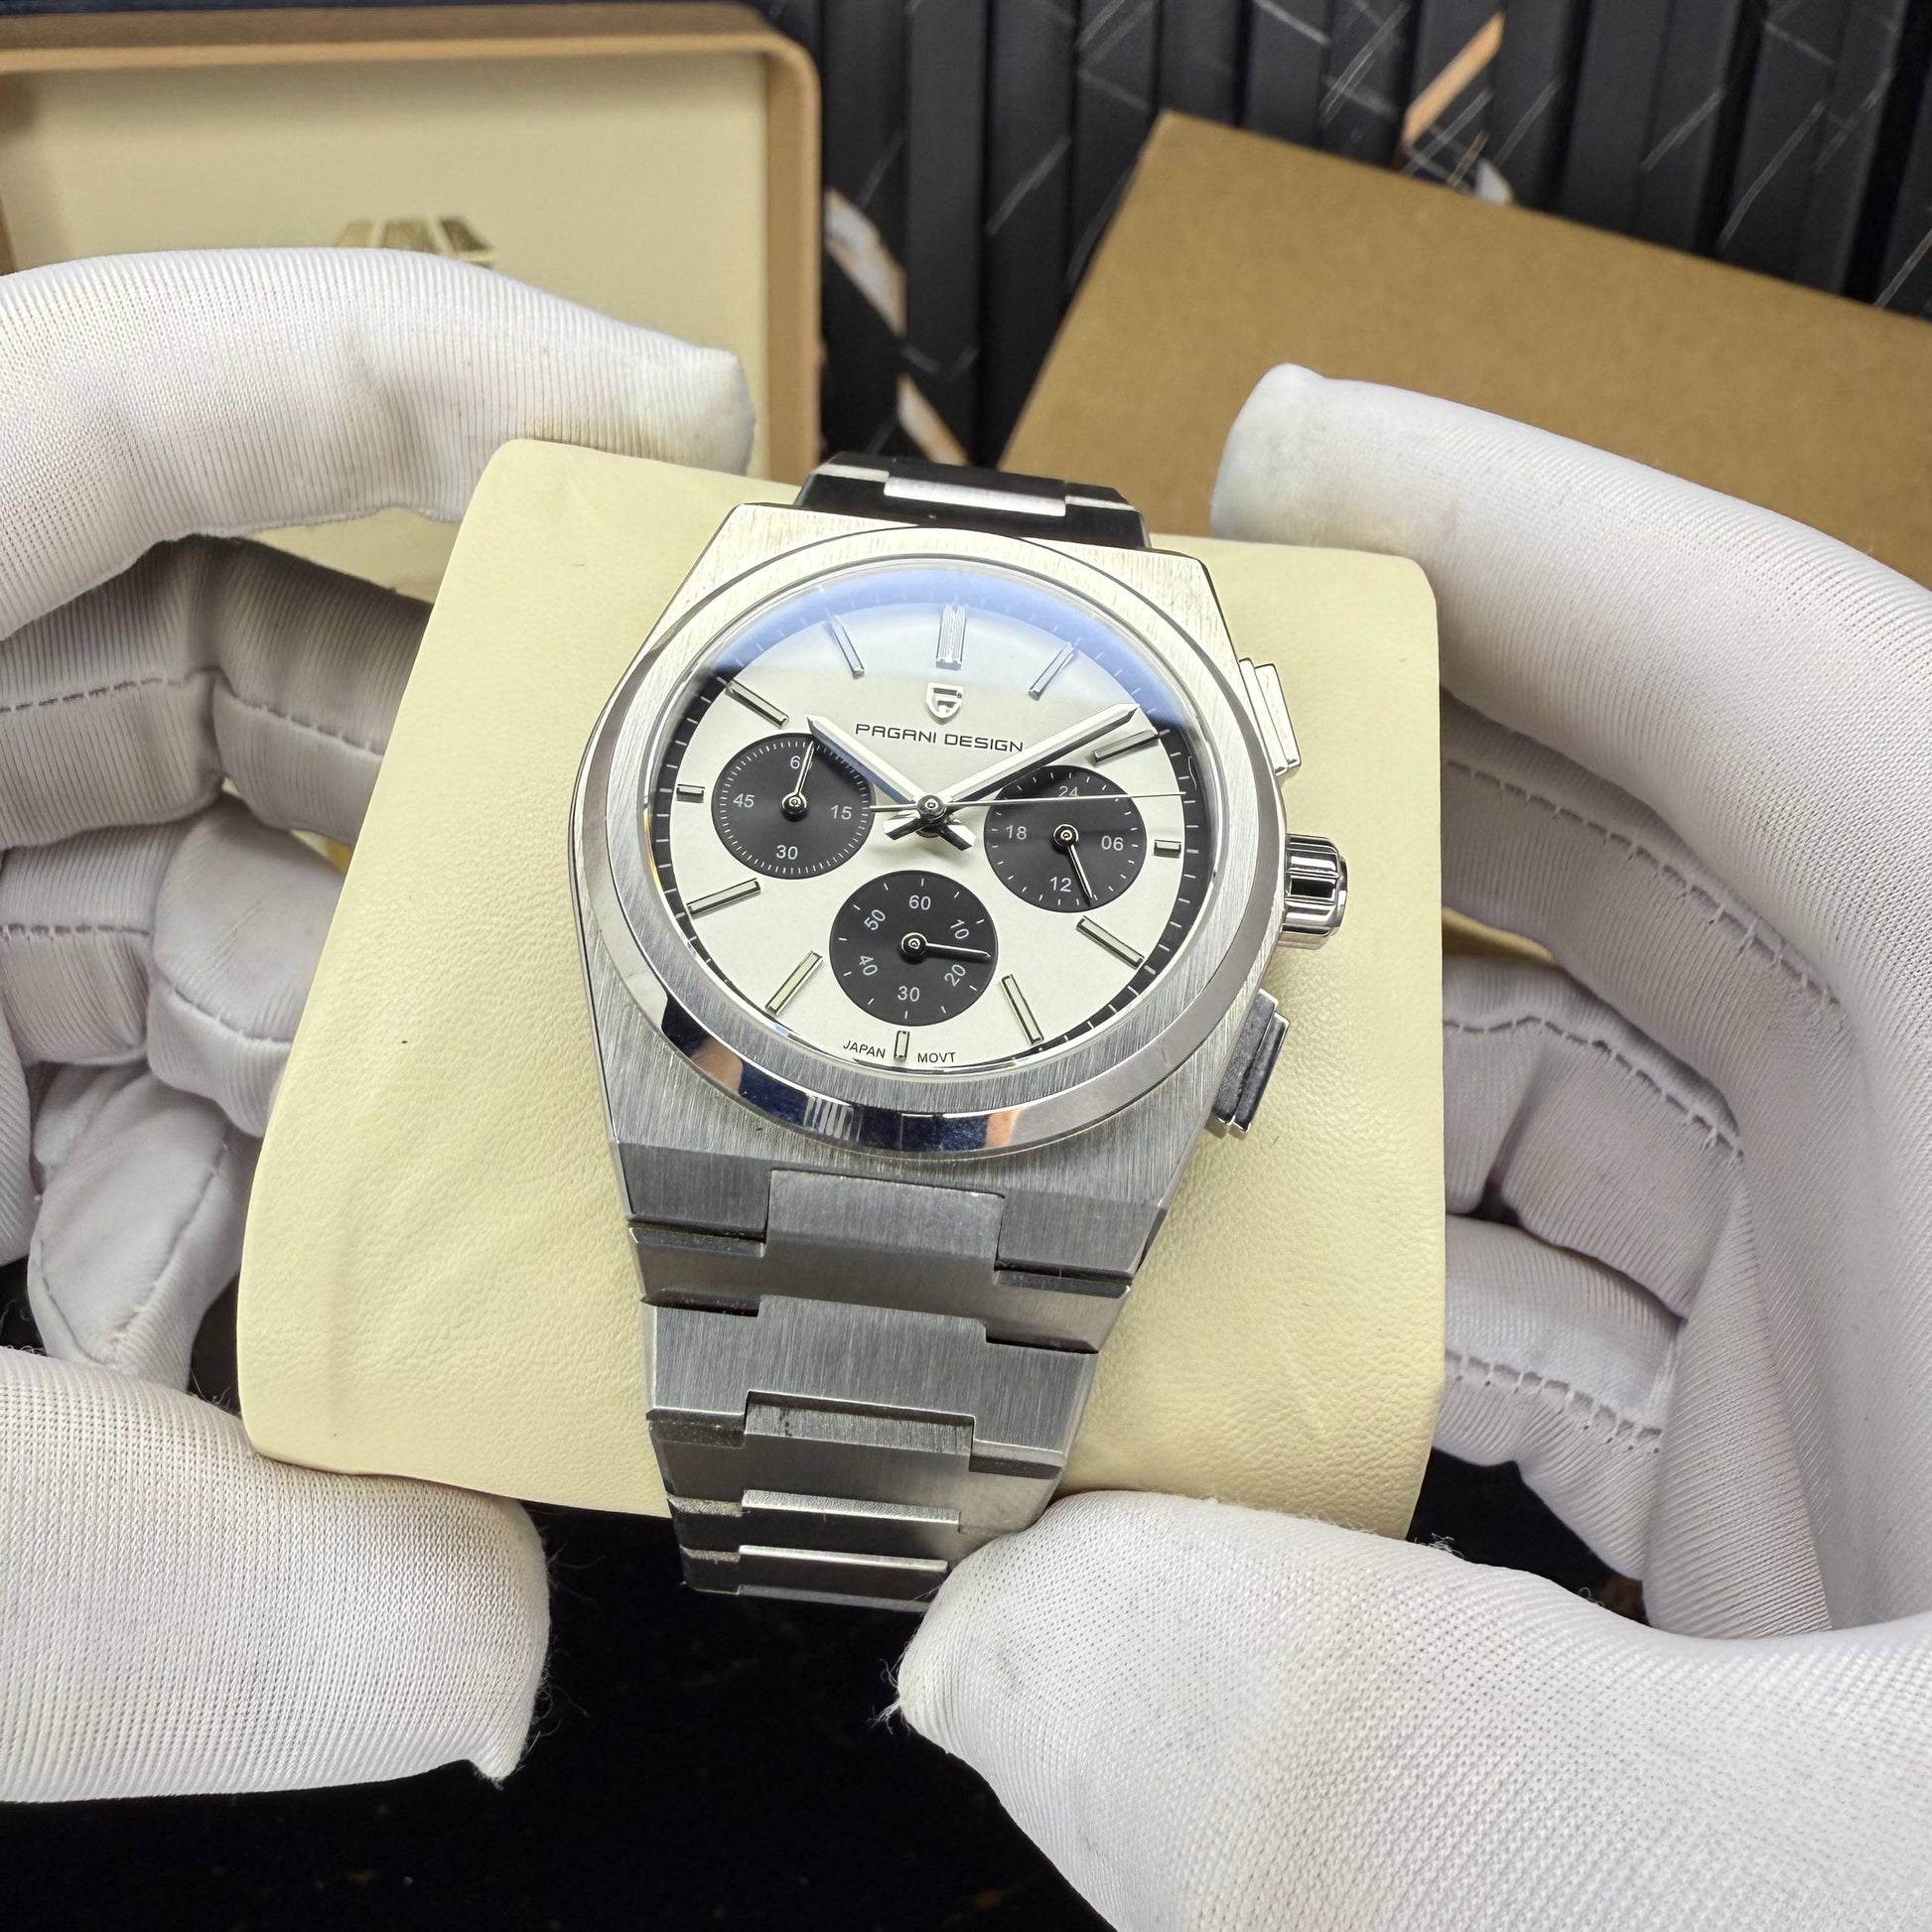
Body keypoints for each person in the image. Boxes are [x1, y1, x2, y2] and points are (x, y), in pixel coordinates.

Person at [3, 251, 1928, 1926]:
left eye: (1031, 821)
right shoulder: (652, 870)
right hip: (726, 1083)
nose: (917, 826)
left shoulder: (1214, 962)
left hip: (1062, 1128)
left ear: (1271, 895)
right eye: (836, 796)